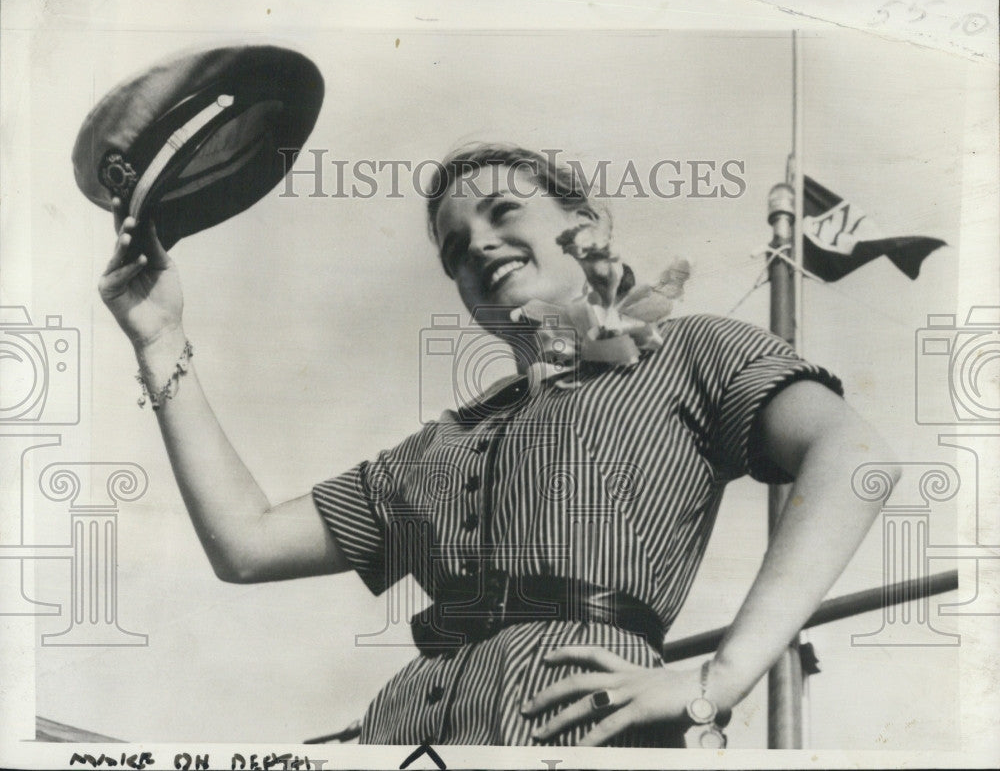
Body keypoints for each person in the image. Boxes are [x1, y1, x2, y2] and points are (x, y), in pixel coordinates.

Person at [98, 144, 898, 747]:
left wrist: (717, 681)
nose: (476, 245)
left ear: (583, 228)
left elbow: (857, 460)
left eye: (503, 213)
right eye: (454, 248)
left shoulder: (691, 351)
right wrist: (161, 337)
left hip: (577, 729)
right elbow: (245, 542)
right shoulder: (445, 440)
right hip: (403, 734)